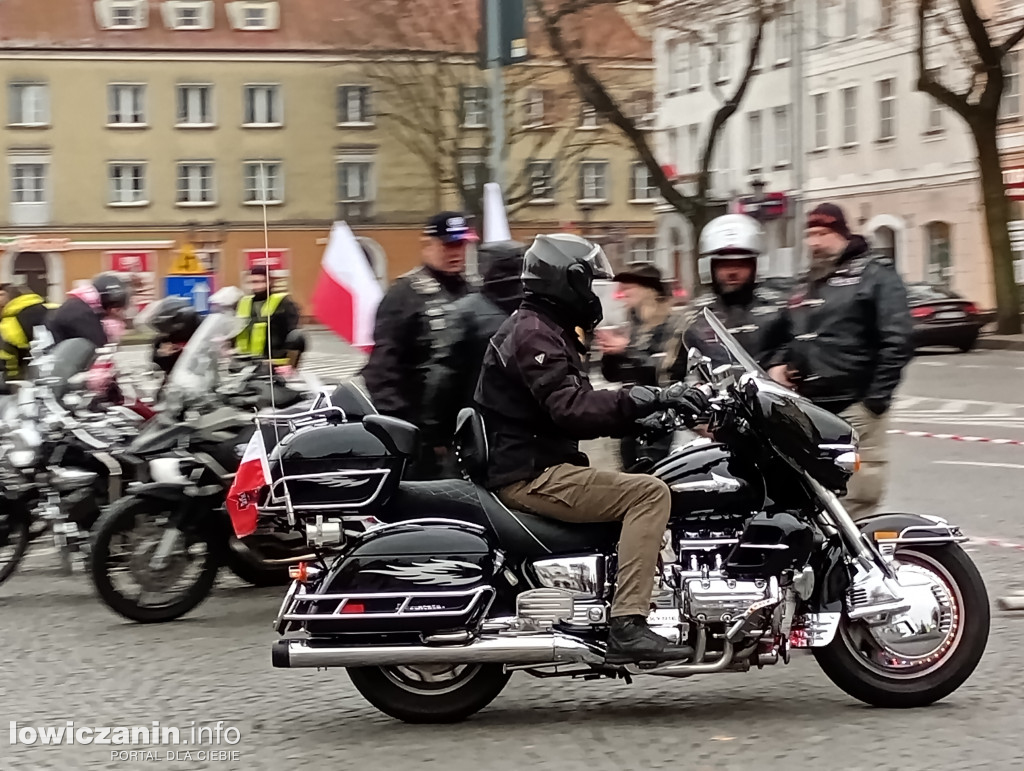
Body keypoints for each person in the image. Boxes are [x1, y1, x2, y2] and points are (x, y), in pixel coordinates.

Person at [474, 233, 711, 664]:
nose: (593, 294)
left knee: (653, 479)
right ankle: (628, 623)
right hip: (531, 474)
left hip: (535, 464)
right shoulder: (535, 333)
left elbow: (569, 406)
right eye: (588, 283)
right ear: (566, 280)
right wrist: (651, 397)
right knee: (649, 493)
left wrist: (645, 416)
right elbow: (572, 408)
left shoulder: (544, 328)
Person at [766, 203, 912, 520]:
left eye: (823, 234)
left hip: (854, 407)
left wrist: (874, 401)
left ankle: (857, 566)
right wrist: (779, 363)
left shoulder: (875, 274)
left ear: (843, 234)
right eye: (810, 234)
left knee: (856, 498)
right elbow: (786, 332)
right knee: (811, 501)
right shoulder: (808, 282)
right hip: (808, 411)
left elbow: (898, 339)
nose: (815, 242)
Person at [361, 211, 474, 479]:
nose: (455, 253)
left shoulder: (472, 292)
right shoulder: (404, 296)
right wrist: (406, 432)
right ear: (428, 245)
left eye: (460, 245)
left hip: (467, 432)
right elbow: (381, 372)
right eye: (448, 245)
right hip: (420, 438)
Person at [420, 240, 526, 449]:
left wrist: (435, 433)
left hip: (477, 428)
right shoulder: (538, 309)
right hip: (530, 432)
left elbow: (443, 378)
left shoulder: (464, 313)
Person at [594, 263, 685, 470]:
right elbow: (611, 376)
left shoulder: (674, 325)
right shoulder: (631, 325)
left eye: (629, 285)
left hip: (661, 421)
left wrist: (627, 351)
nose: (622, 291)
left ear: (648, 289)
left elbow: (665, 373)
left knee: (655, 478)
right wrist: (610, 355)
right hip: (629, 417)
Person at [681, 214, 787, 369]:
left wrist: (779, 366)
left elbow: (794, 353)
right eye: (724, 265)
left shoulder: (778, 311)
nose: (732, 272)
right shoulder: (695, 317)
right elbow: (674, 372)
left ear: (757, 266)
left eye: (741, 264)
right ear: (708, 268)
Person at [235, 269, 300, 366]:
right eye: (252, 282)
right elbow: (233, 330)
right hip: (245, 364)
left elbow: (293, 335)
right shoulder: (242, 303)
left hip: (274, 364)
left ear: (269, 282)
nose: (256, 286)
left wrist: (291, 364)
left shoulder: (283, 303)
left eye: (260, 281)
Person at [47, 273, 129, 349]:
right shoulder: (82, 314)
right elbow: (97, 347)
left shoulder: (80, 304)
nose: (121, 314)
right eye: (118, 310)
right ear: (110, 304)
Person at [0, 283, 53, 380]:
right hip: (67, 369)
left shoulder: (10, 323)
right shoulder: (53, 308)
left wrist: (9, 380)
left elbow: (9, 359)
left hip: (34, 378)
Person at [145, 296, 201, 377]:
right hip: (175, 378)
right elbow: (155, 361)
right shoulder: (165, 337)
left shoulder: (199, 329)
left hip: (199, 375)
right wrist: (162, 354)